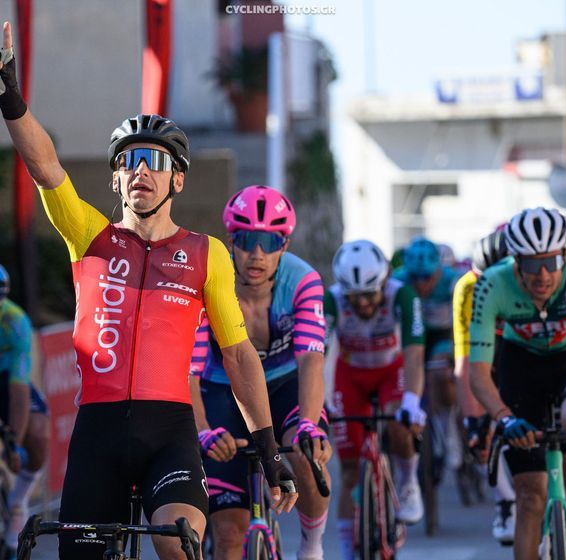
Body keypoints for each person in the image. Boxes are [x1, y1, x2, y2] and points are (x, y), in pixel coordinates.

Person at [0, 21, 296, 560]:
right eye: (128, 160)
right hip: (98, 433)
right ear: (116, 179)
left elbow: (237, 355)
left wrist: (269, 447)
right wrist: (11, 99)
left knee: (176, 542)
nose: (141, 170)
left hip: (169, 436)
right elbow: (45, 166)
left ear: (177, 180)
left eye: (155, 160)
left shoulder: (207, 253)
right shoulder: (89, 236)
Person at [190, 185, 331, 560]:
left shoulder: (303, 280)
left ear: (284, 245)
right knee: (228, 531)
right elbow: (188, 372)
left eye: (269, 243)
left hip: (283, 384)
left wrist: (308, 423)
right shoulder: (207, 280)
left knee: (307, 455)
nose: (257, 253)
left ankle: (312, 545)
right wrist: (203, 431)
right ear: (230, 241)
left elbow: (311, 360)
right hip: (222, 391)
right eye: (246, 240)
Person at [470, 207, 566, 560]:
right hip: (522, 364)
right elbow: (478, 374)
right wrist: (504, 418)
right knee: (530, 496)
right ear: (516, 261)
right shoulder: (492, 284)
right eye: (532, 264)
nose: (543, 275)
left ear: (565, 255)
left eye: (551, 262)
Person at [326, 239, 425, 560]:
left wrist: (412, 400)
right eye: (354, 297)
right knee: (349, 468)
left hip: (390, 371)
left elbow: (414, 353)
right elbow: (317, 355)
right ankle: (346, 551)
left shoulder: (403, 295)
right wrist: (318, 403)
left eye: (370, 294)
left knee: (400, 423)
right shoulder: (332, 299)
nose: (364, 303)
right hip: (350, 376)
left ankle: (408, 482)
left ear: (384, 281)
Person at [452, 229, 518, 544]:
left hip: (523, 347)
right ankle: (506, 500)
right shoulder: (466, 289)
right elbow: (464, 363)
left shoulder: (531, 281)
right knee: (482, 427)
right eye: (483, 282)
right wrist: (472, 419)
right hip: (487, 349)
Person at [392, 237, 463, 494]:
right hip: (413, 338)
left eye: (427, 278)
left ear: (438, 271)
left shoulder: (452, 281)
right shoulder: (399, 281)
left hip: (444, 336)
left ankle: (449, 426)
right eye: (416, 278)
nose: (421, 284)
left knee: (441, 374)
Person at [0, 264, 49, 558]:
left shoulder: (15, 321)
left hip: (7, 380)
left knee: (38, 435)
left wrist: (15, 444)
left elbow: (19, 390)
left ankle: (18, 501)